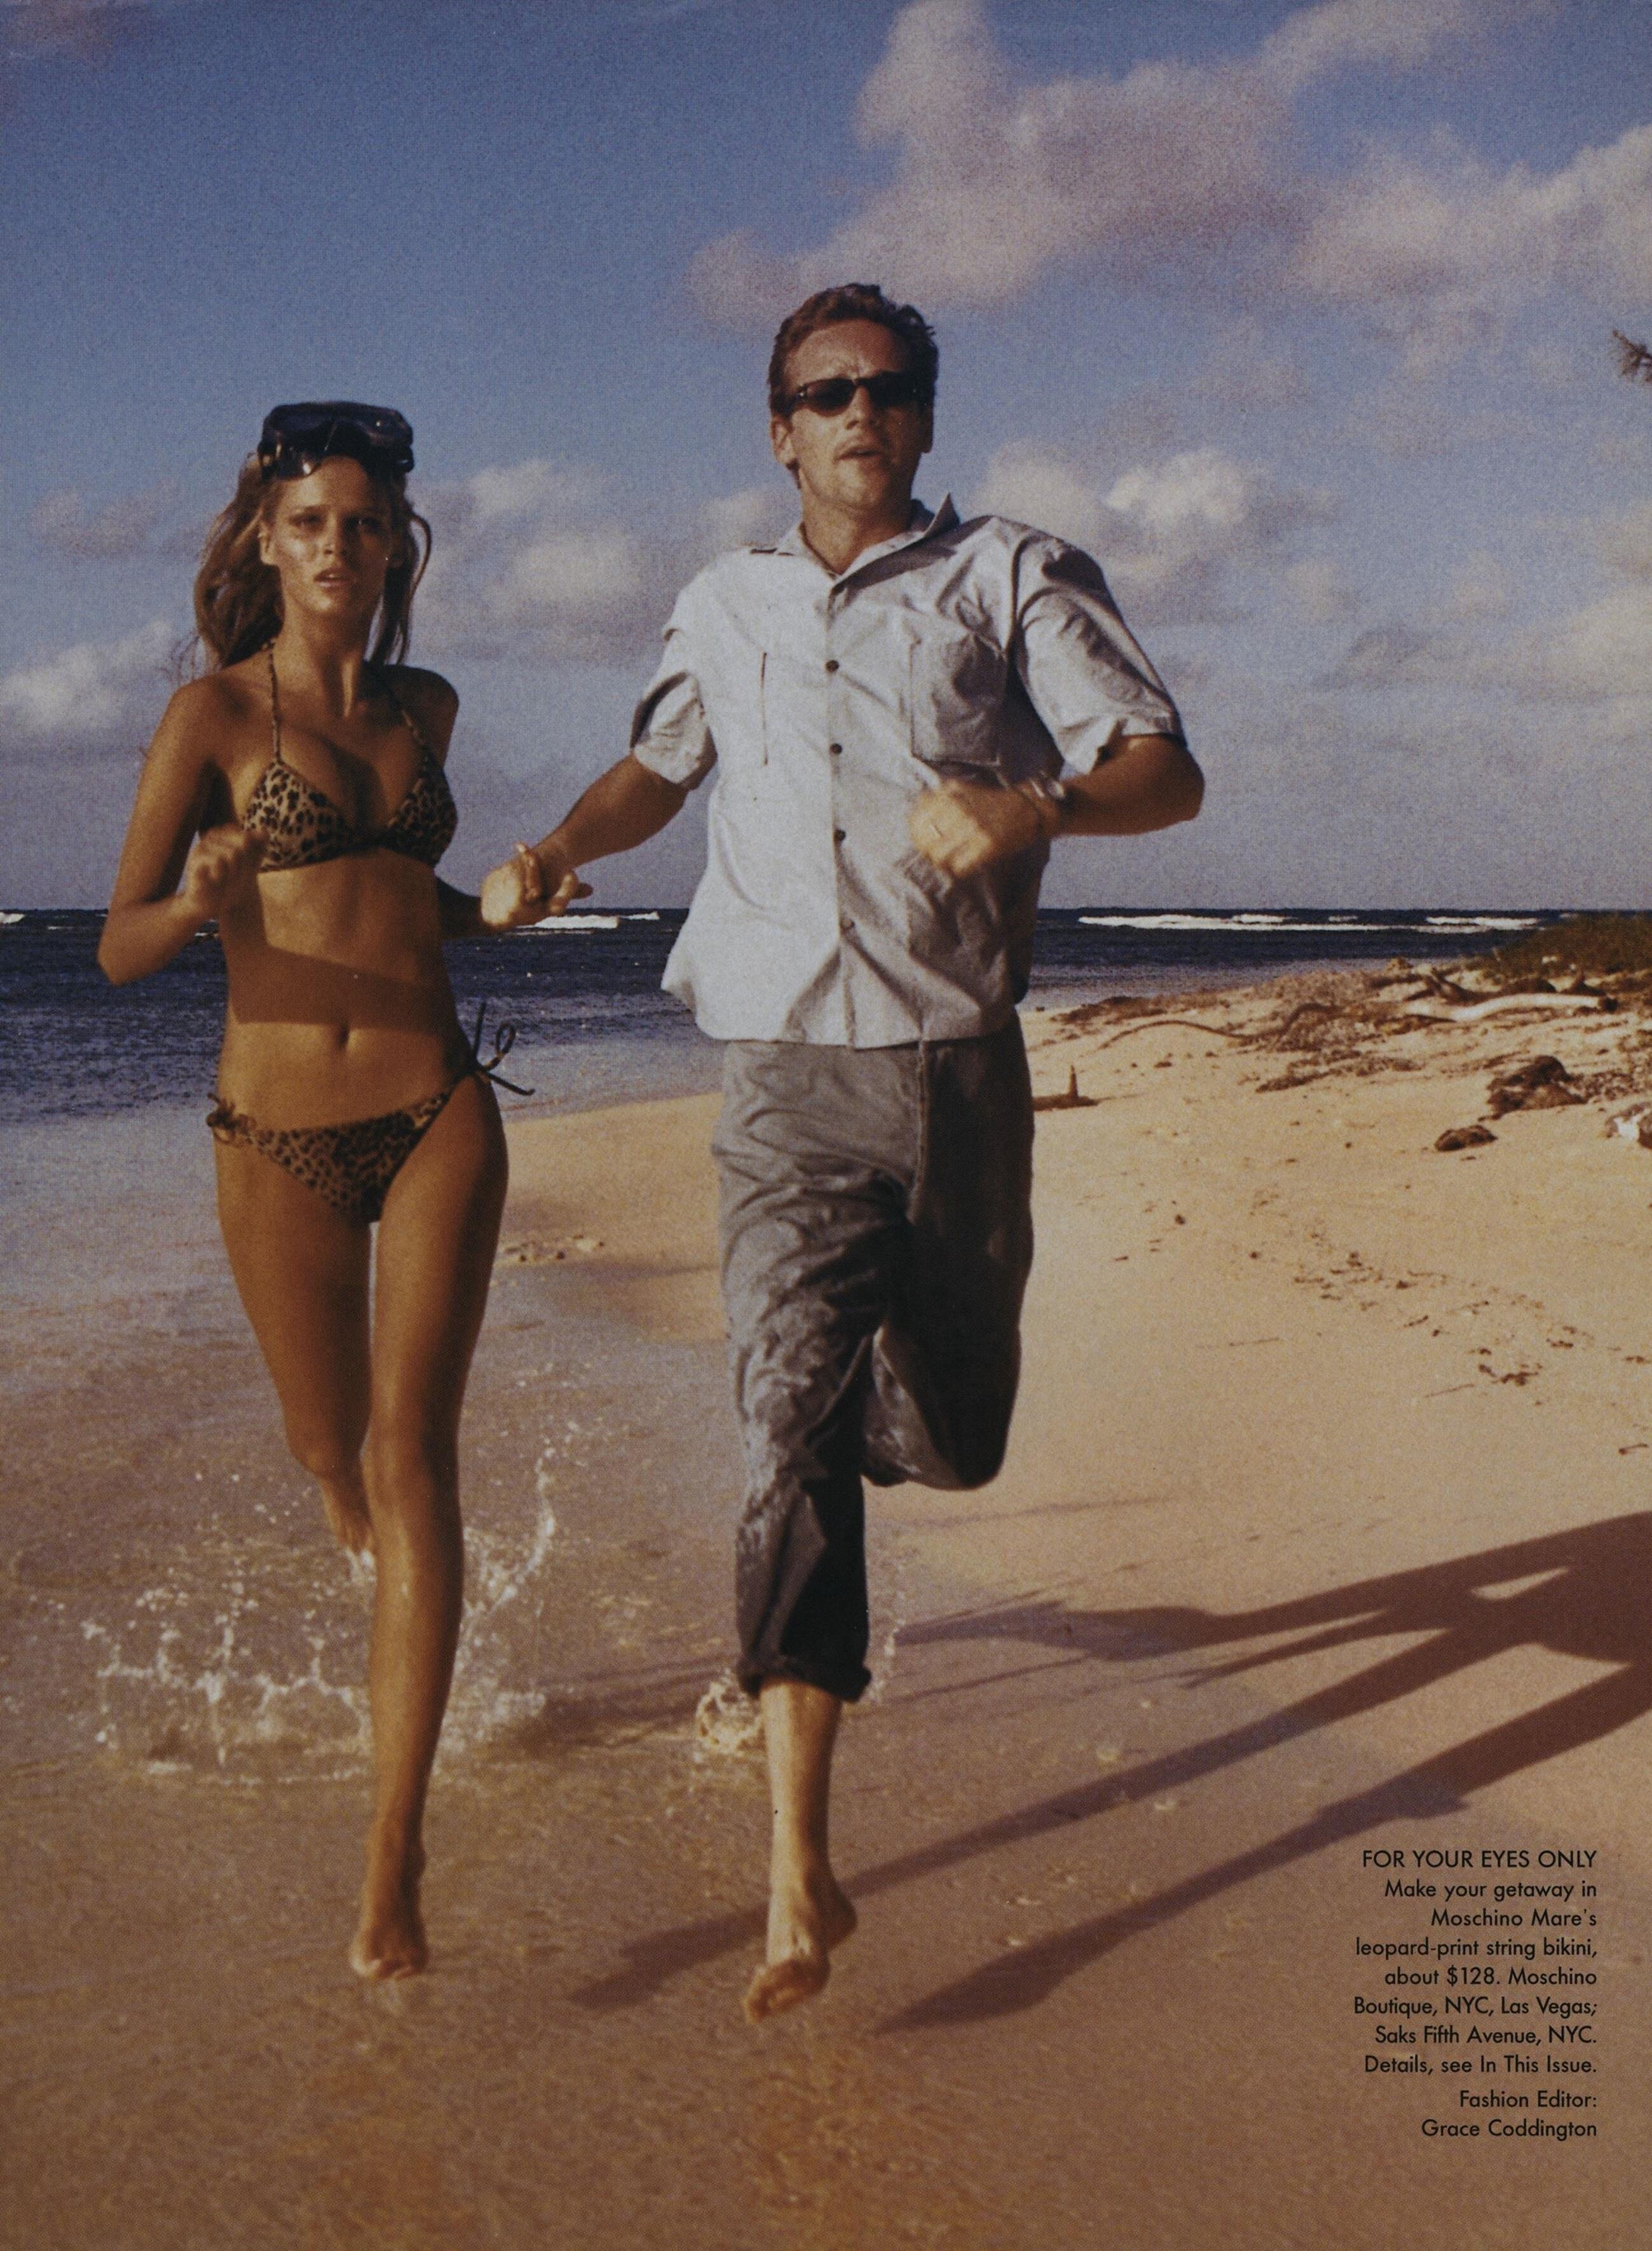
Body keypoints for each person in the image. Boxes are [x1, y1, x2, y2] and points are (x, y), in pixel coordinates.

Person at [482, 285, 1204, 2020]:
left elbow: (1164, 769)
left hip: (956, 1075)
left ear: (924, 415)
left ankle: (874, 1402)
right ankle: (799, 1869)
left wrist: (1038, 802)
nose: (858, 412)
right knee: (779, 1424)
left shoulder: (1010, 575)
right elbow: (657, 766)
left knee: (951, 1439)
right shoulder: (720, 602)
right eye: (826, 392)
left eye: (887, 387)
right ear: (779, 429)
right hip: (781, 1074)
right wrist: (561, 846)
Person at [99, 404, 568, 1980]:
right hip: (277, 1133)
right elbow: (118, 947)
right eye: (310, 523)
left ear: (395, 545)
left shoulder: (425, 707)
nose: (339, 549)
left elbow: (397, 897)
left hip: (437, 1104)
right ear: (266, 539)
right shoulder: (212, 716)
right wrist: (197, 895)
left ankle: (393, 1853)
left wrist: (495, 903)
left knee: (411, 1448)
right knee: (330, 1446)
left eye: (364, 524)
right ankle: (350, 1520)